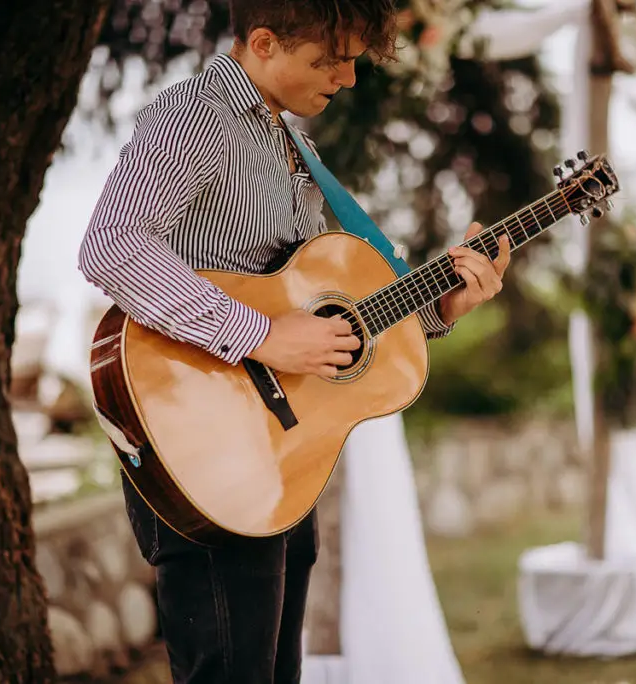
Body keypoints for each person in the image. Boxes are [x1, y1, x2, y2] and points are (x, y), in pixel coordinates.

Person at [77, 1, 511, 682]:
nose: (349, 77)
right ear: (264, 42)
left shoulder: (286, 141)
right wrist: (263, 336)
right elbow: (111, 244)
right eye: (328, 59)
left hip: (280, 452)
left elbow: (325, 309)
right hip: (204, 442)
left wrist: (446, 302)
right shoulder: (198, 115)